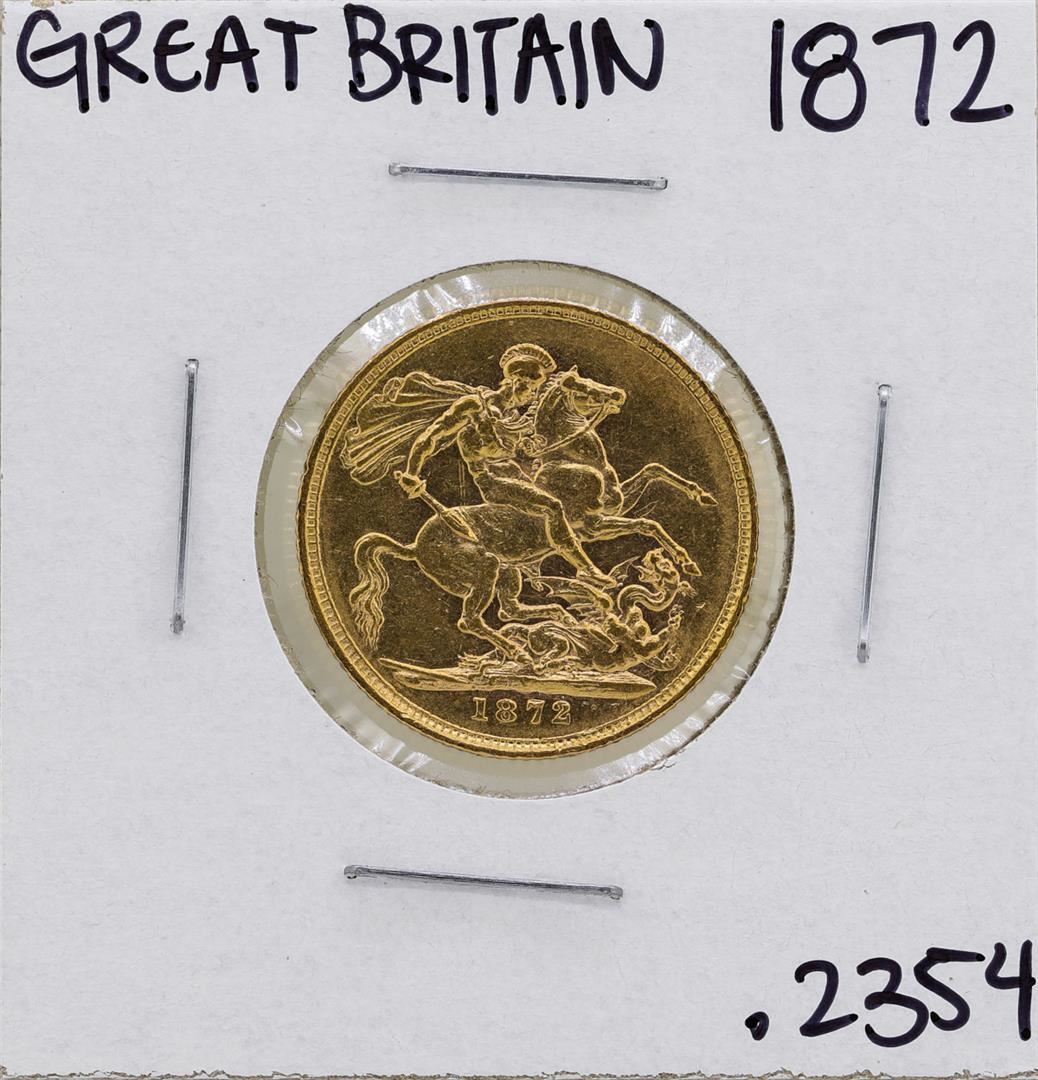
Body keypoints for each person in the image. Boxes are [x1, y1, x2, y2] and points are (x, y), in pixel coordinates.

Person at [396, 343, 613, 588]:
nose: (533, 396)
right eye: (532, 389)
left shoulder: (513, 418)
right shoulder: (475, 407)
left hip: (519, 478)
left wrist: (531, 447)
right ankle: (585, 569)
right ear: (518, 381)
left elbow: (521, 454)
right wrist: (412, 472)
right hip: (493, 482)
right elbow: (433, 436)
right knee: (552, 506)